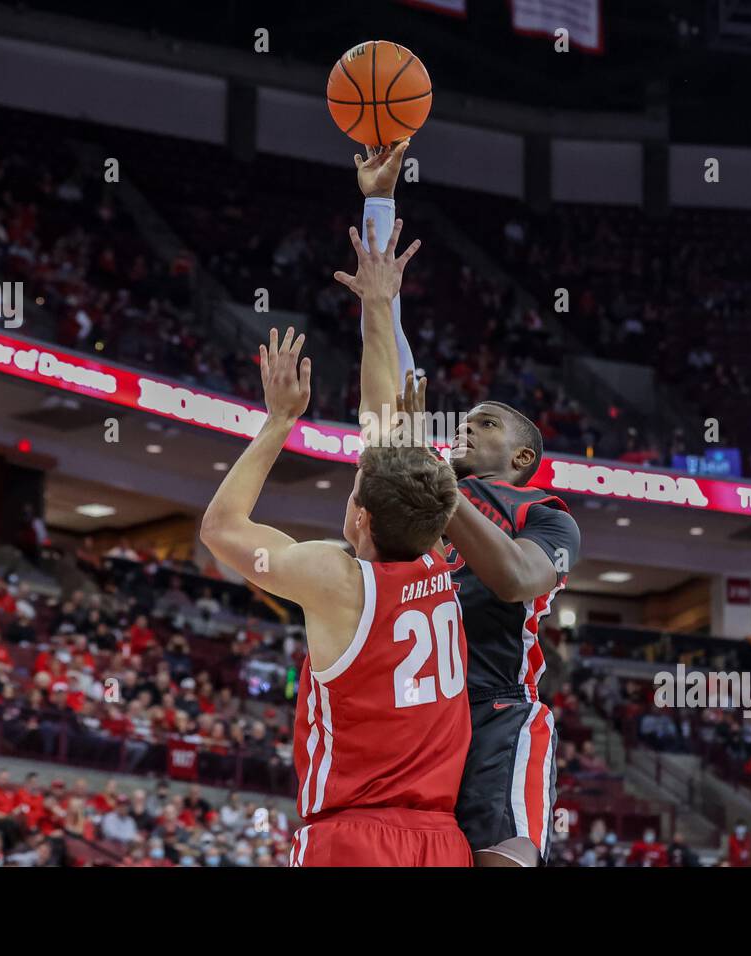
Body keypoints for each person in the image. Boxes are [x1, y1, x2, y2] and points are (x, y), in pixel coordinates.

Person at [341, 143, 582, 867]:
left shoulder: (548, 515)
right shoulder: (426, 480)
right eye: (464, 417)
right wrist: (378, 204)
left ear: (522, 459)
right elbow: (388, 346)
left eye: (489, 420)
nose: (468, 423)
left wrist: (434, 486)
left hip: (493, 709)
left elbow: (513, 579)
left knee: (502, 857)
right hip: (413, 710)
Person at [199, 304, 471, 861]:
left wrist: (279, 419)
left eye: (353, 494)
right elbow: (383, 441)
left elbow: (221, 528)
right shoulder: (442, 561)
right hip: (443, 841)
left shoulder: (335, 579)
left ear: (361, 519)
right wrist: (381, 305)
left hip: (354, 838)